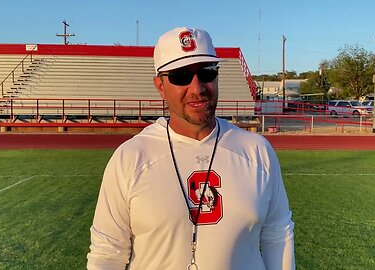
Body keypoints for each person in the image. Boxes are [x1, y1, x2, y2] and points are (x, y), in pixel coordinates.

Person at [87, 27, 295, 270]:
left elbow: (277, 234)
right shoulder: (131, 157)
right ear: (160, 86)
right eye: (180, 76)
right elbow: (107, 252)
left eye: (206, 72)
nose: (197, 88)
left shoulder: (257, 150)